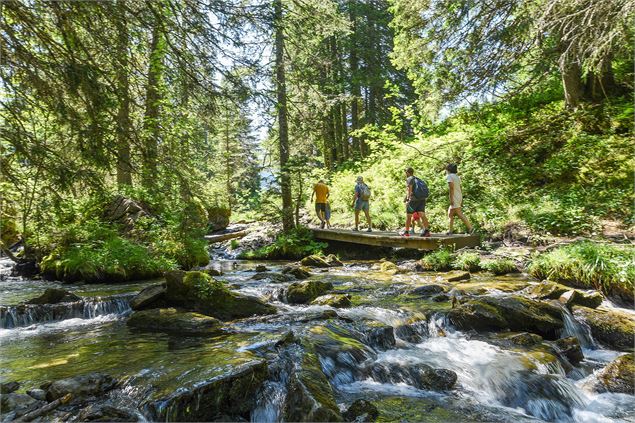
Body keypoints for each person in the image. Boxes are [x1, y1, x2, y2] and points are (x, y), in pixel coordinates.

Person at [402, 167, 430, 237]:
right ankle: (426, 231)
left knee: (408, 216)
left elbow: (409, 190)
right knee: (423, 215)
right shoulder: (417, 179)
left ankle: (406, 232)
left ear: (407, 173)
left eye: (405, 173)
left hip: (413, 201)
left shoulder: (409, 179)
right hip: (421, 199)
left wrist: (408, 199)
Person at [446, 163, 473, 234]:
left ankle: (470, 228)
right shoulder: (456, 177)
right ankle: (450, 231)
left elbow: (451, 188)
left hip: (454, 197)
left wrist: (451, 198)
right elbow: (460, 188)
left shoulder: (450, 176)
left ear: (448, 169)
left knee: (459, 213)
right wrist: (461, 198)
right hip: (459, 196)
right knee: (450, 214)